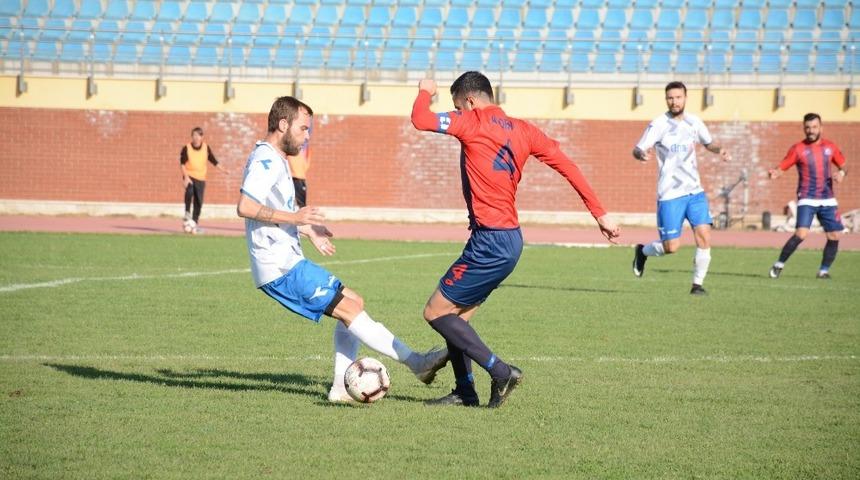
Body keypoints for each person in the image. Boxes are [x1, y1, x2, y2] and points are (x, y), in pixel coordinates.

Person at [411, 72, 620, 408]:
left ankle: (501, 371)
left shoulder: (473, 121)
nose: (459, 112)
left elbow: (420, 119)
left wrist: (425, 92)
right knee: (457, 320)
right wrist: (600, 213)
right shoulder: (524, 130)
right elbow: (567, 165)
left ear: (470, 101)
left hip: (490, 242)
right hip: (508, 240)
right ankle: (465, 393)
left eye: (458, 106)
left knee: (435, 312)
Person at [236, 96, 448, 403]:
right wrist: (295, 217)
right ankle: (417, 363)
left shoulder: (276, 159)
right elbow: (245, 206)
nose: (306, 136)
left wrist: (307, 229)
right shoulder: (264, 160)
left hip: (288, 261)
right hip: (279, 267)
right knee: (350, 310)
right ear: (283, 124)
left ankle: (340, 388)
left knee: (354, 303)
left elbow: (275, 208)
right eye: (303, 128)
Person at [630, 81, 732, 295]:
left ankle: (697, 285)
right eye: (670, 98)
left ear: (685, 98)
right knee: (671, 247)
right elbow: (638, 148)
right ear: (666, 99)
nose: (674, 101)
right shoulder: (659, 124)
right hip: (670, 194)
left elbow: (708, 143)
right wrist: (642, 154)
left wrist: (719, 149)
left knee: (704, 235)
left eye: (678, 97)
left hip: (694, 191)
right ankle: (643, 251)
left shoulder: (694, 122)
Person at [767, 113, 847, 279]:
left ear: (821, 128)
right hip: (807, 197)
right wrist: (776, 172)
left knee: (834, 236)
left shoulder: (830, 147)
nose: (811, 130)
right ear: (804, 128)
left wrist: (841, 173)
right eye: (808, 127)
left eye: (814, 127)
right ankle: (779, 264)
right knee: (801, 234)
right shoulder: (798, 149)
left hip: (827, 198)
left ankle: (823, 271)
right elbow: (782, 166)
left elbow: (844, 166)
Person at [180, 127, 226, 234]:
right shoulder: (186, 148)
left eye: (198, 135)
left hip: (201, 178)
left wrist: (223, 169)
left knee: (199, 202)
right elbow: (182, 163)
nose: (196, 137)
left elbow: (213, 160)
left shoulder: (206, 148)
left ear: (202, 137)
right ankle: (187, 212)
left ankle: (194, 223)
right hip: (190, 175)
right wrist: (185, 177)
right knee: (190, 191)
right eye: (194, 135)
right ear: (192, 136)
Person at [287, 129, 311, 208]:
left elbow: (306, 165)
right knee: (299, 204)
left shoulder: (304, 151)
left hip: (300, 178)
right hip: (294, 177)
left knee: (301, 203)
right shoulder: (291, 150)